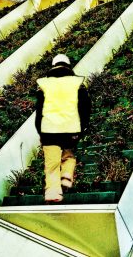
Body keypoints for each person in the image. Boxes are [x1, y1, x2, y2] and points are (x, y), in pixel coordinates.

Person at [35, 54, 91, 202]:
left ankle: (53, 193)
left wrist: (40, 131)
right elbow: (85, 107)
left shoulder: (45, 85)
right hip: (70, 127)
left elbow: (39, 111)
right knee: (69, 154)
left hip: (49, 129)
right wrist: (82, 127)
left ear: (53, 66)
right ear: (68, 66)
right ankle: (66, 176)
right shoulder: (77, 84)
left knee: (52, 163)